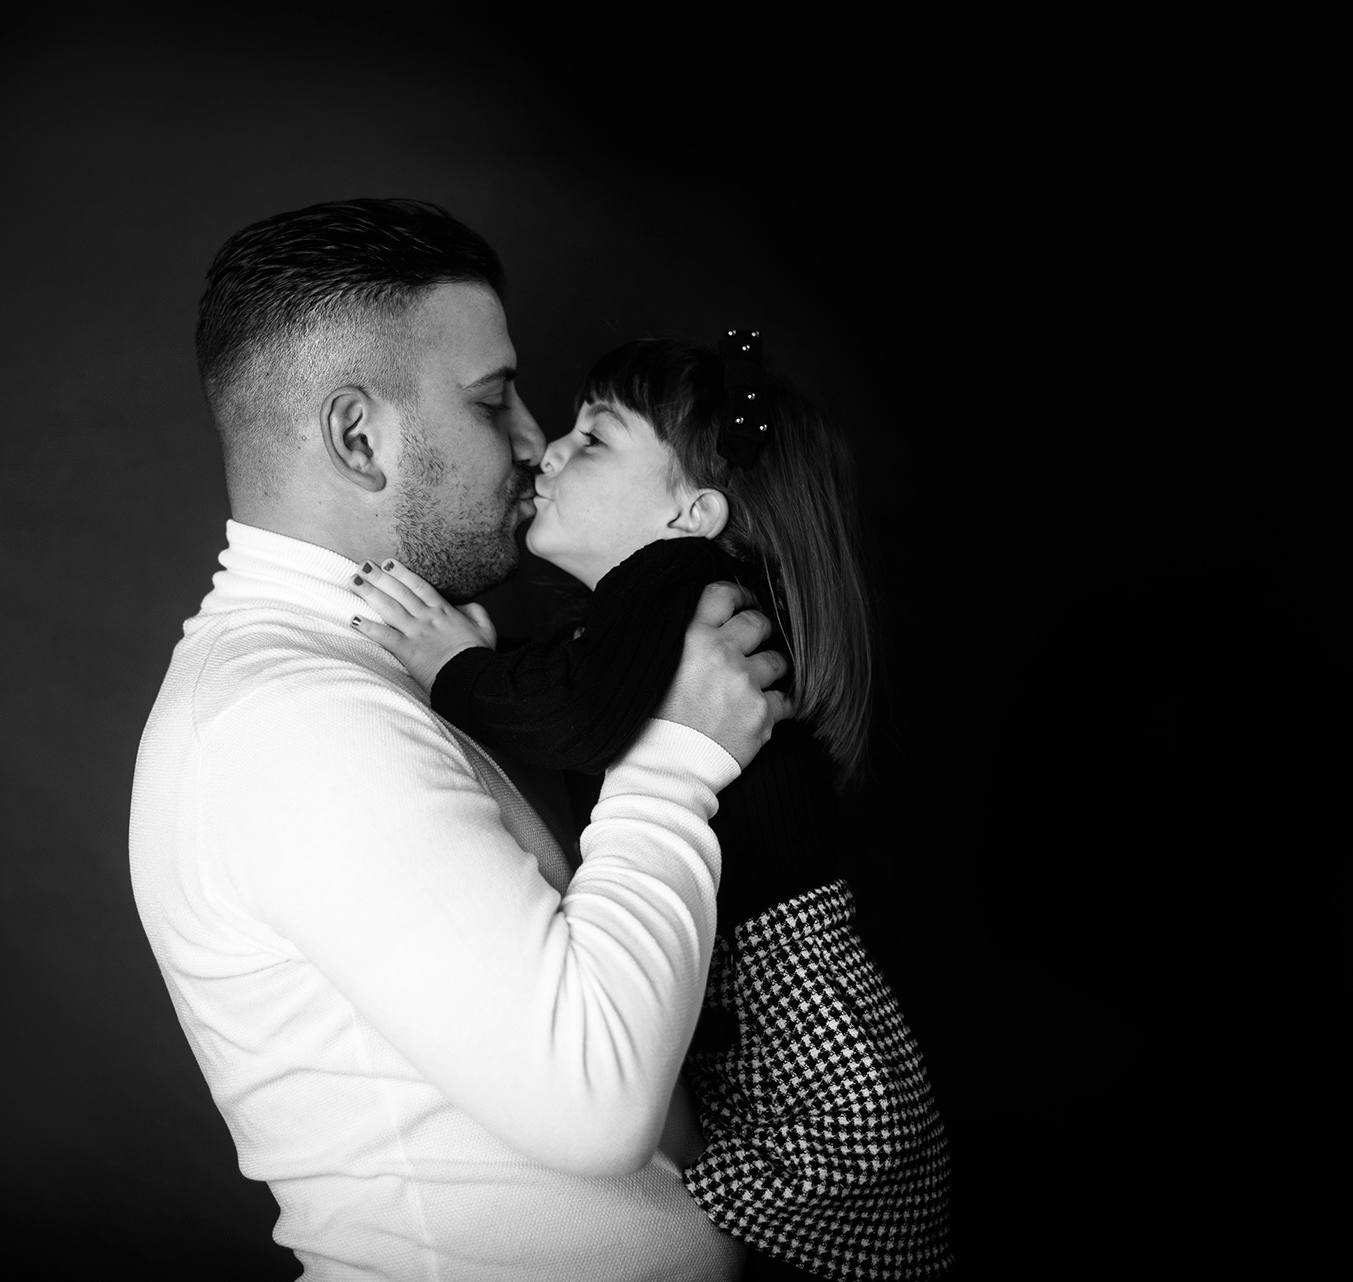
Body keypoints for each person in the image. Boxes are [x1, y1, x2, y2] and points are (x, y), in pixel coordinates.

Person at [130, 199, 788, 1280]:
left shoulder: (352, 678)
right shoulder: (292, 723)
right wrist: (675, 757)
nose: (535, 439)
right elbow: (592, 1101)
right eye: (492, 400)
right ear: (358, 438)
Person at [344, 336, 952, 1280]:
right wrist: (495, 661)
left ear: (691, 512)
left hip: (796, 1043)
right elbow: (588, 695)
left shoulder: (679, 583)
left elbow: (579, 719)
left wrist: (450, 665)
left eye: (594, 439)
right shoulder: (657, 609)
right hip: (788, 1019)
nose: (549, 450)